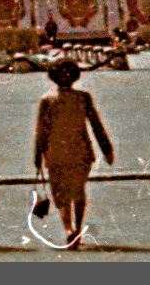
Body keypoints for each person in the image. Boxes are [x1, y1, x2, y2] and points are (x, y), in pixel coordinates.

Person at [34, 58, 114, 250]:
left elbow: (41, 131)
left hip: (57, 152)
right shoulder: (82, 97)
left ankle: (70, 230)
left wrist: (37, 155)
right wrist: (107, 149)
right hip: (79, 151)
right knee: (77, 191)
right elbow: (96, 125)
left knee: (62, 193)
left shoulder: (47, 100)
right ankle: (76, 227)